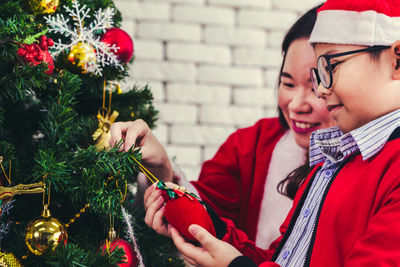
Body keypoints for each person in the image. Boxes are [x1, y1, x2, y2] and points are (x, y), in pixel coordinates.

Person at [163, 0, 400, 266]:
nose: (322, 90)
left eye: (331, 67)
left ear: (396, 60)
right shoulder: (331, 161)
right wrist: (206, 227)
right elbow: (285, 259)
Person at [111, 4, 335, 248]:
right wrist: (163, 171)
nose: (296, 105)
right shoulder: (251, 144)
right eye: (288, 84)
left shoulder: (368, 169)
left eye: (314, 86)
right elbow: (208, 213)